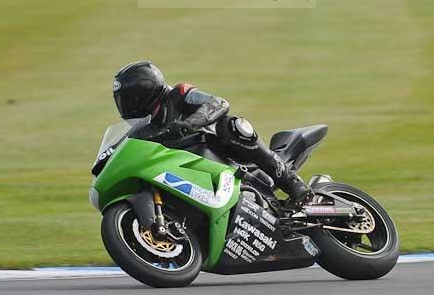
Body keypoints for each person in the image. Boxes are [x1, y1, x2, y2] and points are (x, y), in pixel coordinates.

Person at [112, 60, 312, 205]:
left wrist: (190, 123)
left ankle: (292, 183)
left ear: (145, 92)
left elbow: (219, 103)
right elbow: (122, 151)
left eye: (129, 98)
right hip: (192, 173)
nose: (125, 106)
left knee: (233, 125)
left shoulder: (179, 95)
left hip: (224, 155)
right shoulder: (142, 130)